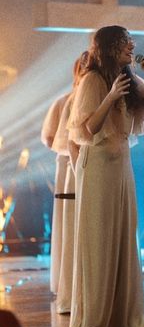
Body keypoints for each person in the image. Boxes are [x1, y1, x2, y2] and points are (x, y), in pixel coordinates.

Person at [67, 25, 144, 327]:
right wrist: (110, 97)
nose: (132, 47)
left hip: (122, 165)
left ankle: (126, 316)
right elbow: (88, 130)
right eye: (126, 43)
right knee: (99, 241)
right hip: (97, 166)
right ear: (111, 47)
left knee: (125, 237)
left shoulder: (128, 78)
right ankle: (96, 318)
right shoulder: (93, 81)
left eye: (132, 43)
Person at [41, 52, 87, 295]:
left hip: (73, 160)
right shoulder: (64, 102)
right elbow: (49, 137)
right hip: (67, 164)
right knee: (68, 217)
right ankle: (68, 280)